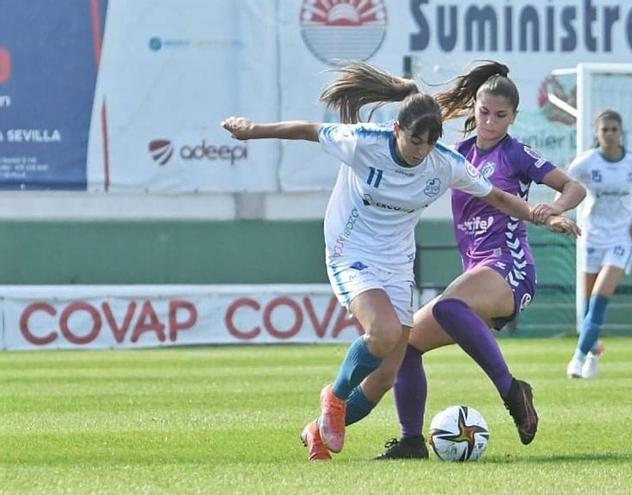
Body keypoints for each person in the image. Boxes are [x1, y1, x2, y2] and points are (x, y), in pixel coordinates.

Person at [221, 62, 579, 461]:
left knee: (418, 336)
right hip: (353, 251)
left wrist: (546, 213)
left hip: (473, 266)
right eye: (414, 141)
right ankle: (363, 419)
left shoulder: (457, 161)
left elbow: (504, 197)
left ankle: (508, 393)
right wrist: (252, 131)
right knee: (394, 341)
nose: (419, 152)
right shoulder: (373, 142)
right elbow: (308, 130)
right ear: (398, 130)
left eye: (428, 144)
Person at [351, 61, 587, 460]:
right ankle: (411, 441)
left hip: (510, 271)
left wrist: (555, 209)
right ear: (473, 109)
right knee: (406, 346)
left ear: (514, 116)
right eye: (484, 112)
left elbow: (573, 186)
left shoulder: (517, 154)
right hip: (477, 273)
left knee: (447, 306)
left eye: (501, 115)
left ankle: (513, 392)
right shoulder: (454, 155)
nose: (491, 121)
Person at [565, 109, 632, 379]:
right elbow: (567, 185)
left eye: (614, 129)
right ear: (597, 133)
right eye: (605, 130)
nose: (610, 134)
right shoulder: (586, 163)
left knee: (600, 300)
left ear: (621, 132)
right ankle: (593, 351)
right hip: (591, 236)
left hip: (620, 238)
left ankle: (576, 359)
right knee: (587, 309)